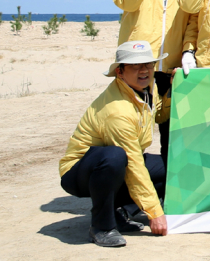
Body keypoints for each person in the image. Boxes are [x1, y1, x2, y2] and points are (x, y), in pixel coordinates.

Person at [59, 42, 170, 248]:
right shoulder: (117, 110)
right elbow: (134, 164)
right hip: (79, 172)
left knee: (170, 167)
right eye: (135, 66)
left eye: (148, 64)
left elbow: (160, 115)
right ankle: (102, 227)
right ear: (120, 72)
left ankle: (121, 213)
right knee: (115, 157)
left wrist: (171, 93)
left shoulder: (148, 87)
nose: (144, 70)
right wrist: (155, 212)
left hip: (121, 161)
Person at [112, 0, 197, 164]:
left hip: (172, 65)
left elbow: (194, 15)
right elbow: (126, 1)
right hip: (137, 62)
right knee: (131, 129)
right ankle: (127, 192)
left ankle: (168, 191)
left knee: (173, 131)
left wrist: (188, 51)